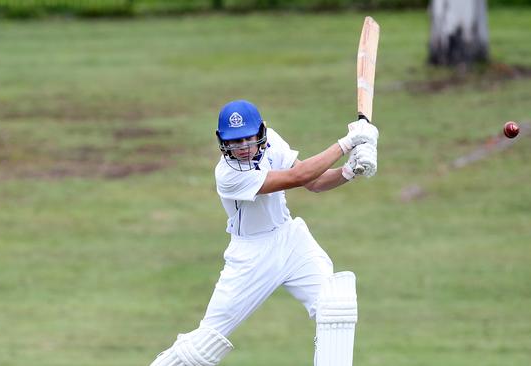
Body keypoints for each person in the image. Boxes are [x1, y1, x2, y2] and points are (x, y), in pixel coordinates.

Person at [148, 100, 378, 366]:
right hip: (250, 255)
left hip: (291, 241)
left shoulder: (273, 144)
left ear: (261, 132)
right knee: (204, 344)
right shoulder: (227, 175)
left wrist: (350, 170)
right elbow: (298, 177)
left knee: (335, 306)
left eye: (247, 139)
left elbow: (315, 182)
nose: (243, 148)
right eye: (234, 142)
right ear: (222, 142)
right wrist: (348, 142)